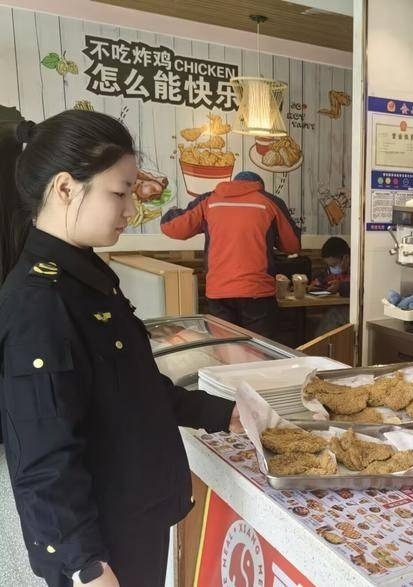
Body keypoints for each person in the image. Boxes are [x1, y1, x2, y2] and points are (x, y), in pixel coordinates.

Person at [0, 111, 243, 587]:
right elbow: (43, 454)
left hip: (132, 514)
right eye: (120, 192)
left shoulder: (88, 277)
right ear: (65, 188)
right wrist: (84, 563)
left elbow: (135, 388)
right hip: (102, 543)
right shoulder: (39, 301)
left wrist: (224, 413)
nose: (130, 209)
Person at [161, 170, 301, 340]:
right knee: (260, 350)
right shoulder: (270, 201)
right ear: (258, 186)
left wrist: (171, 211)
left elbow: (172, 227)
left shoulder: (209, 201)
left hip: (219, 292)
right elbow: (292, 245)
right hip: (257, 292)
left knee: (226, 350)